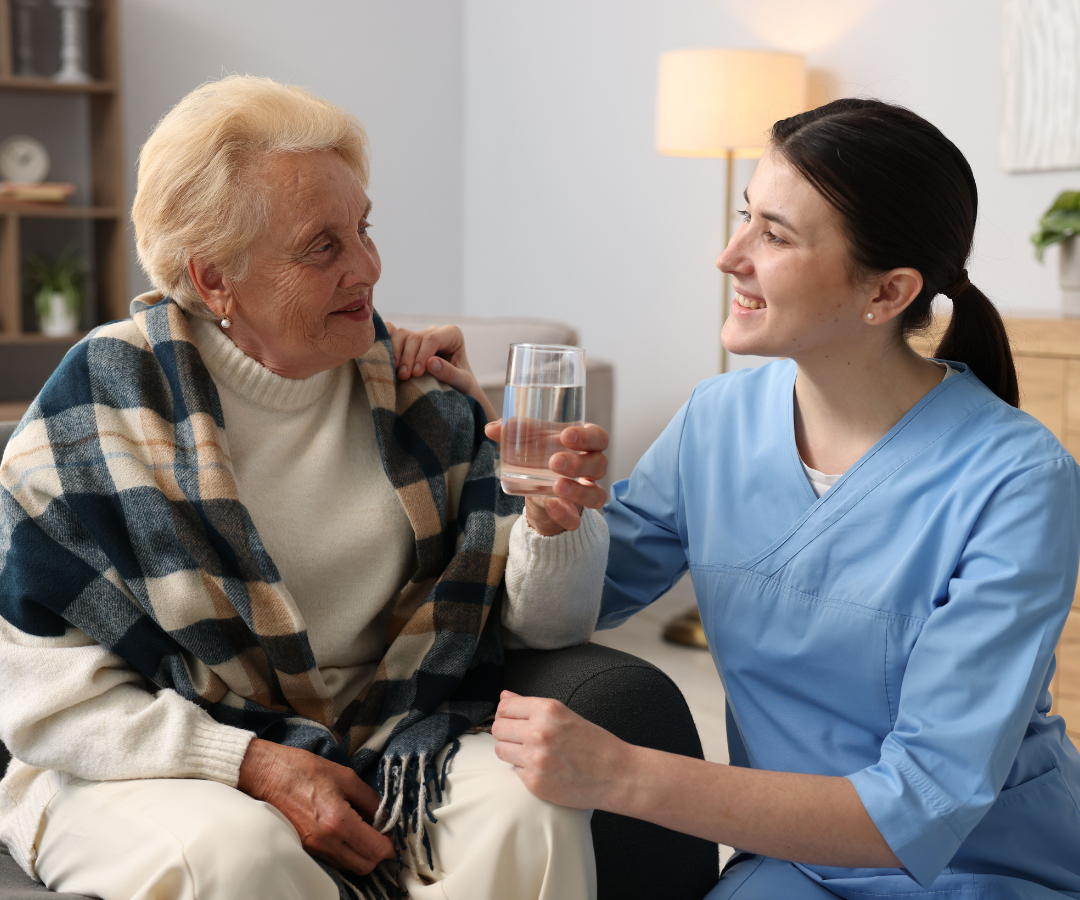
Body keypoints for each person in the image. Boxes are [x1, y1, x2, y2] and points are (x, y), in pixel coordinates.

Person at [394, 99, 1080, 898]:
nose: (729, 257)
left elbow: (921, 806)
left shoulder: (1019, 481)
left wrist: (620, 773)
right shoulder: (716, 423)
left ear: (888, 292)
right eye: (743, 217)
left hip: (983, 868)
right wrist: (498, 454)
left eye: (775, 235)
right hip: (792, 864)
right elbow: (568, 604)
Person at [0, 75, 612, 900]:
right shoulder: (97, 410)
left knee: (530, 813)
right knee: (239, 852)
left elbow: (547, 629)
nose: (368, 267)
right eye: (323, 246)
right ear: (214, 279)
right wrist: (249, 761)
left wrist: (552, 522)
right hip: (148, 758)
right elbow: (41, 699)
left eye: (364, 229)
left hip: (386, 744)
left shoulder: (420, 395)